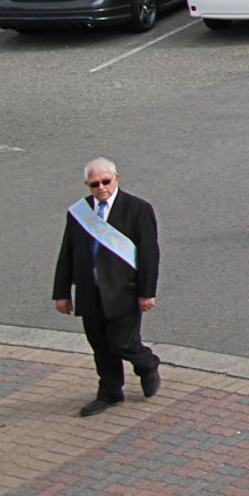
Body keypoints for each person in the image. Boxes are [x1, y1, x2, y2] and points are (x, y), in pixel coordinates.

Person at [53, 157, 162, 417]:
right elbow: (67, 253)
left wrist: (147, 292)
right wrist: (61, 293)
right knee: (100, 345)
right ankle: (110, 392)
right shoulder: (79, 213)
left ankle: (147, 364)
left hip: (124, 290)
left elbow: (149, 254)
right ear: (87, 185)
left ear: (116, 179)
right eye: (94, 184)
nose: (101, 187)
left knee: (123, 343)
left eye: (106, 181)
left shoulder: (137, 209)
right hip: (90, 292)